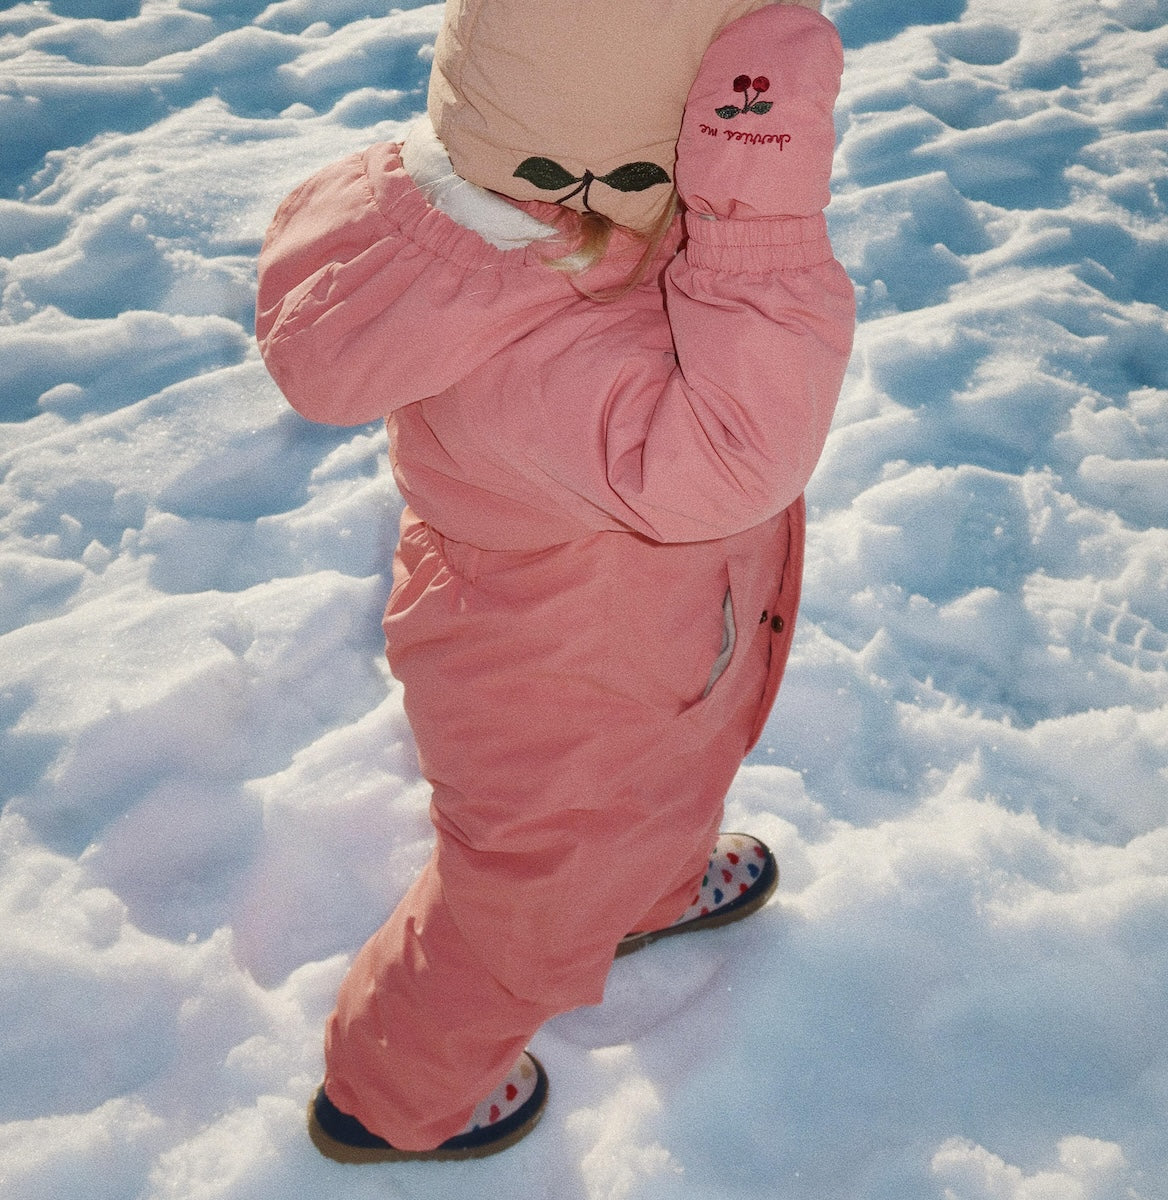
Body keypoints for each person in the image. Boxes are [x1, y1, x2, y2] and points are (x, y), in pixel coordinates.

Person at [255, 0, 853, 1162]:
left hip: (642, 650)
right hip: (559, 689)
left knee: (659, 784)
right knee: (525, 906)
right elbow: (733, 454)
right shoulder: (536, 347)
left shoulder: (518, 222)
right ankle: (391, 1099)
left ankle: (651, 888)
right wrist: (760, 212)